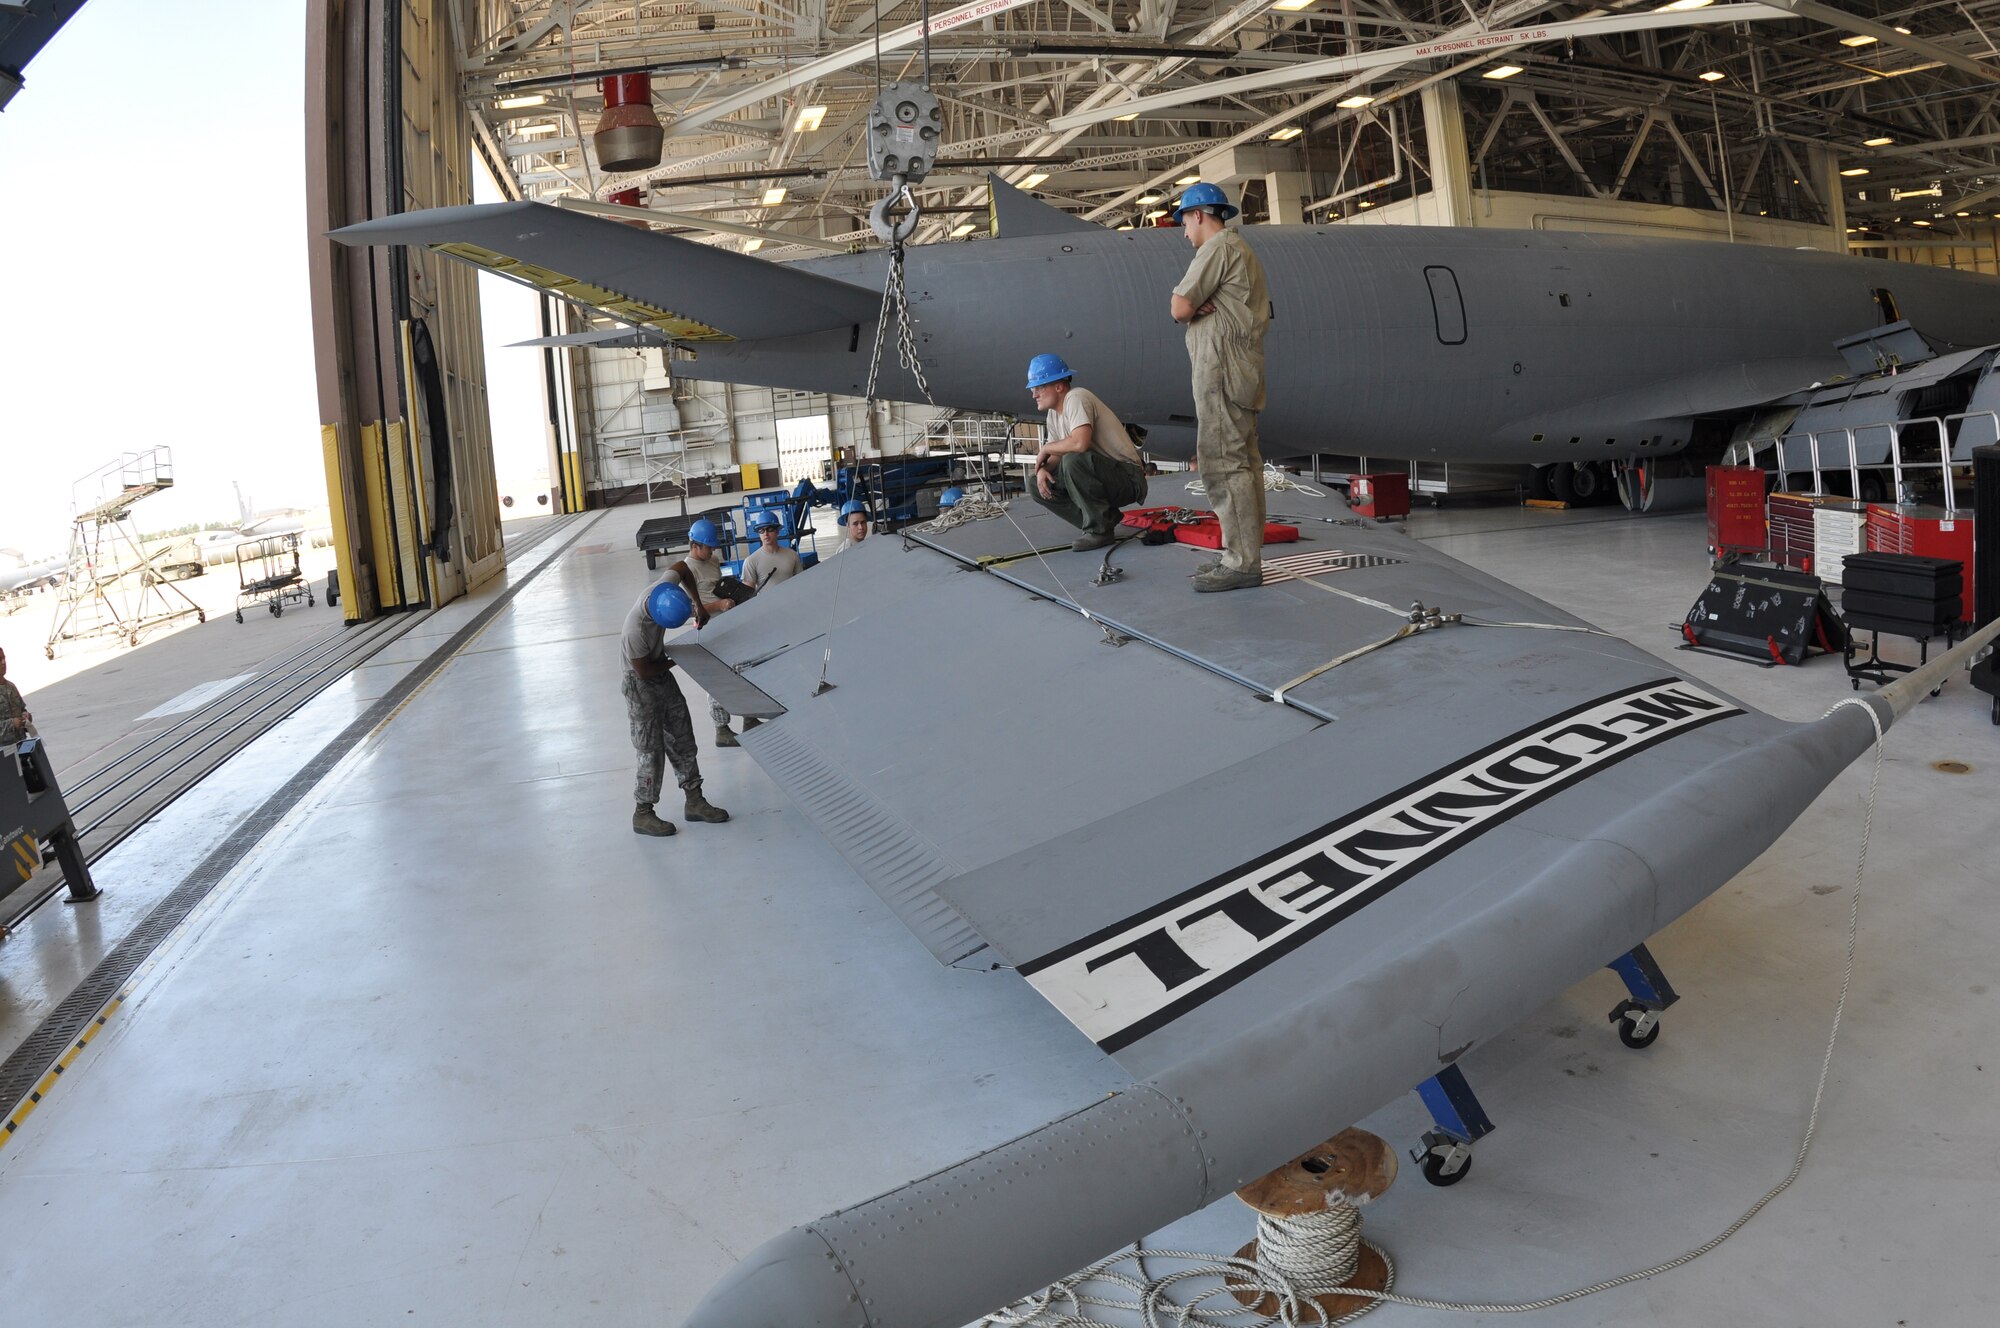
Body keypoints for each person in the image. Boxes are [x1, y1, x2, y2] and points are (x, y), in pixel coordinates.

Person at [1168, 181, 1271, 594]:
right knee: (1244, 462)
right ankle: (1244, 555)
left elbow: (1178, 307)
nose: (1184, 232)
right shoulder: (1240, 250)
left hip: (1222, 372)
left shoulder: (1216, 249)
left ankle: (1242, 562)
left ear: (1198, 215)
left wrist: (1191, 310)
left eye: (1184, 222)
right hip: (1241, 372)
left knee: (1223, 462)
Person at [621, 573, 731, 837]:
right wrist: (680, 656)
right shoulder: (634, 632)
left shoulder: (664, 587)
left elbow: (682, 568)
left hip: (660, 674)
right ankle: (643, 813)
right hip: (639, 682)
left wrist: (698, 604)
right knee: (651, 749)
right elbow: (645, 671)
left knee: (682, 735)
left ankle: (694, 800)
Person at [1023, 354, 1147, 551]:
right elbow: (1057, 455)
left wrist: (1045, 449)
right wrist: (1041, 471)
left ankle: (1100, 531)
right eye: (1033, 389)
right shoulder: (1053, 414)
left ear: (1059, 386)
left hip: (1128, 479)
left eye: (1039, 387)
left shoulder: (1076, 397)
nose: (1034, 394)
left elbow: (1080, 443)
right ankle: (1105, 520)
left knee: (1073, 460)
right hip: (1103, 476)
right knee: (1036, 484)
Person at [739, 510, 803, 590]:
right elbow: (747, 594)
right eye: (761, 530)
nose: (765, 534)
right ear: (759, 534)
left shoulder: (792, 555)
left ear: (777, 531)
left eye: (770, 529)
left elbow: (801, 582)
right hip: (766, 602)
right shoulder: (751, 561)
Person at [0, 647, 31, 746]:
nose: (3, 662)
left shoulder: (11, 686)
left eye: (4, 658)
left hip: (22, 744)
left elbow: (22, 708)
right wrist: (11, 724)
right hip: (4, 752)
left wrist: (26, 716)